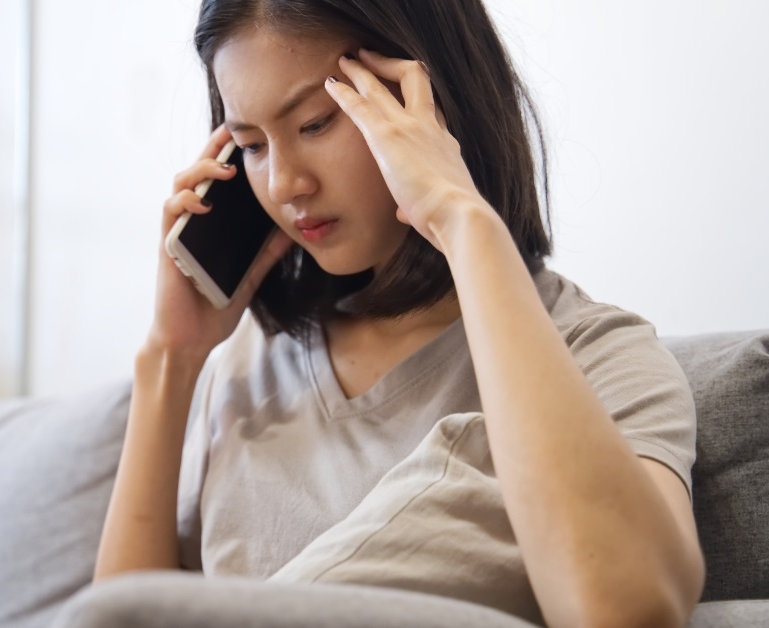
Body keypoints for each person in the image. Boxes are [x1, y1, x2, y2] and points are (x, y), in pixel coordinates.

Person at [93, 1, 705, 626]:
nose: (282, 184)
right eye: (251, 145)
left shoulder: (600, 355)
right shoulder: (246, 370)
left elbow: (627, 611)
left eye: (315, 123)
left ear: (430, 101)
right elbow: (127, 616)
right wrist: (173, 356)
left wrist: (462, 219)